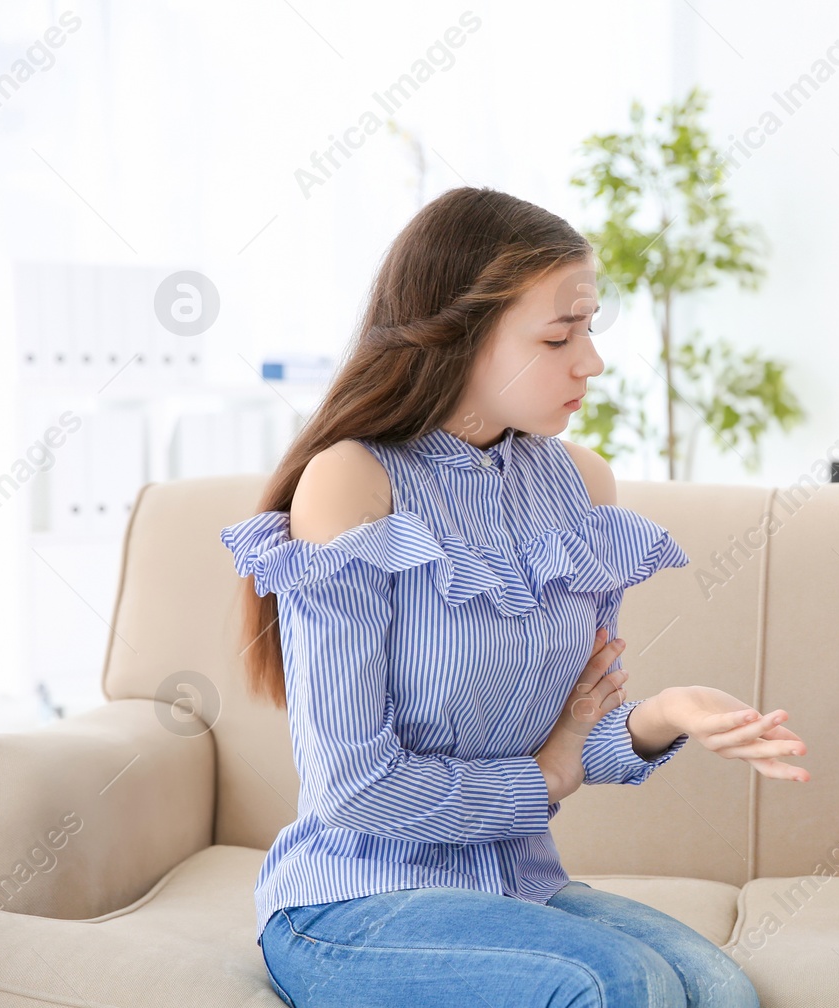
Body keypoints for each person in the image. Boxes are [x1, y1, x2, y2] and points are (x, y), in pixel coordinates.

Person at [221, 187, 809, 1007]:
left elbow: (576, 740)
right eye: (558, 335)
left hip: (519, 885)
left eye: (590, 329)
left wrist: (660, 717)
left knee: (719, 991)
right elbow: (352, 785)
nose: (591, 362)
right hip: (354, 900)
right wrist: (543, 779)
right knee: (618, 985)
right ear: (459, 337)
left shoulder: (581, 486)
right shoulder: (355, 483)